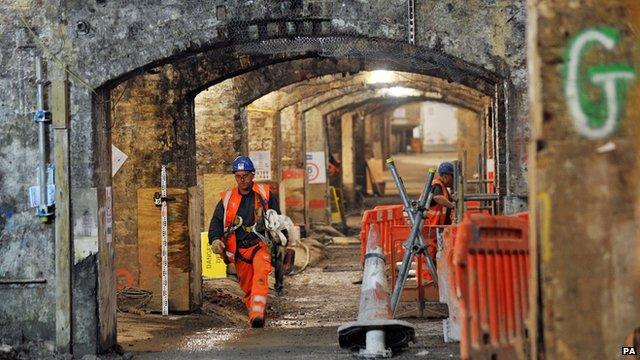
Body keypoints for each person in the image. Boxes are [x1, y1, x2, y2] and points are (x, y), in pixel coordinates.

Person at [208, 155, 282, 328]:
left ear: (253, 175)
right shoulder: (227, 200)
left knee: (260, 278)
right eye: (238, 176)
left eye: (246, 175)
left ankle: (257, 316)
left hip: (260, 245)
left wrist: (280, 237)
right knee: (248, 289)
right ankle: (254, 316)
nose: (242, 180)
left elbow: (277, 218)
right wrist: (215, 239)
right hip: (239, 252)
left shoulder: (265, 195)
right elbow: (216, 222)